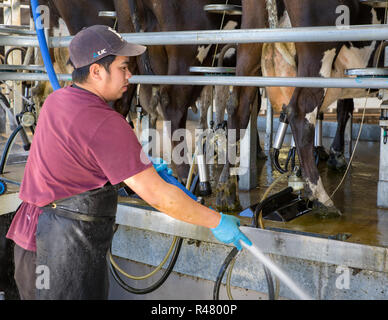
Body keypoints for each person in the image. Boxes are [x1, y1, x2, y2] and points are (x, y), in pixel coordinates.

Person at [6, 25, 251, 300]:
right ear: (96, 71)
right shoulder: (106, 123)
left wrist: (130, 168)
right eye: (123, 67)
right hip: (63, 253)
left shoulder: (56, 101)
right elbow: (160, 197)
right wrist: (216, 221)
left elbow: (76, 167)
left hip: (31, 243)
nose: (130, 75)